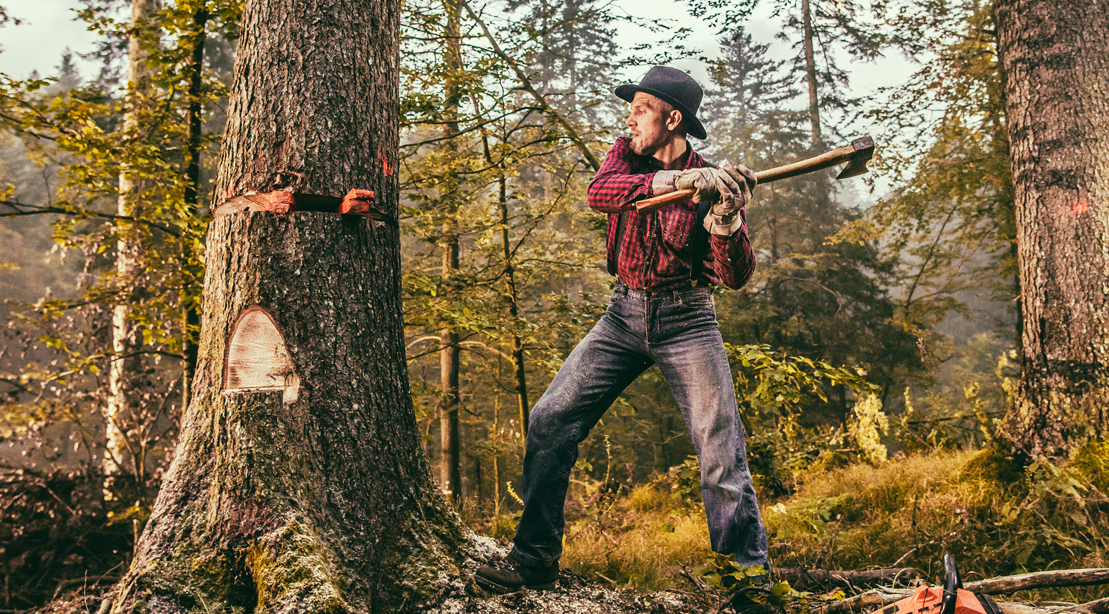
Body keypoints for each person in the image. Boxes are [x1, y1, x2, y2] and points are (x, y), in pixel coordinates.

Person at [476, 66, 770, 602]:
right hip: (623, 317)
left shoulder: (712, 182)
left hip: (688, 321)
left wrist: (725, 215)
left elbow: (736, 276)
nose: (629, 118)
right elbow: (599, 193)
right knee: (549, 420)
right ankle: (535, 559)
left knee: (721, 458)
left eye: (639, 109)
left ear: (672, 118)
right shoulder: (624, 158)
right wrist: (673, 182)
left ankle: (749, 588)